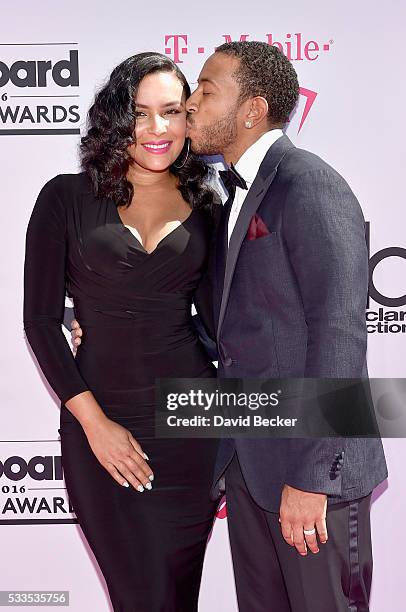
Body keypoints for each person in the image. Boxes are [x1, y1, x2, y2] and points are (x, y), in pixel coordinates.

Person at [72, 42, 388, 611]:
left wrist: (313, 477)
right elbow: (227, 331)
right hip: (250, 466)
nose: (190, 105)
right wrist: (109, 332)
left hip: (308, 476)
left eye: (206, 91)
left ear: (252, 109)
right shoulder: (226, 196)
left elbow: (340, 336)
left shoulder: (308, 184)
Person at [23, 52, 220, 612]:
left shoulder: (209, 206)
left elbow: (222, 320)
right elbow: (40, 320)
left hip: (191, 426)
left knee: (178, 596)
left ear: (189, 119)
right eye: (140, 113)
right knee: (141, 596)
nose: (158, 129)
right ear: (116, 119)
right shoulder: (65, 197)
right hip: (99, 424)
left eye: (172, 111)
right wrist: (96, 423)